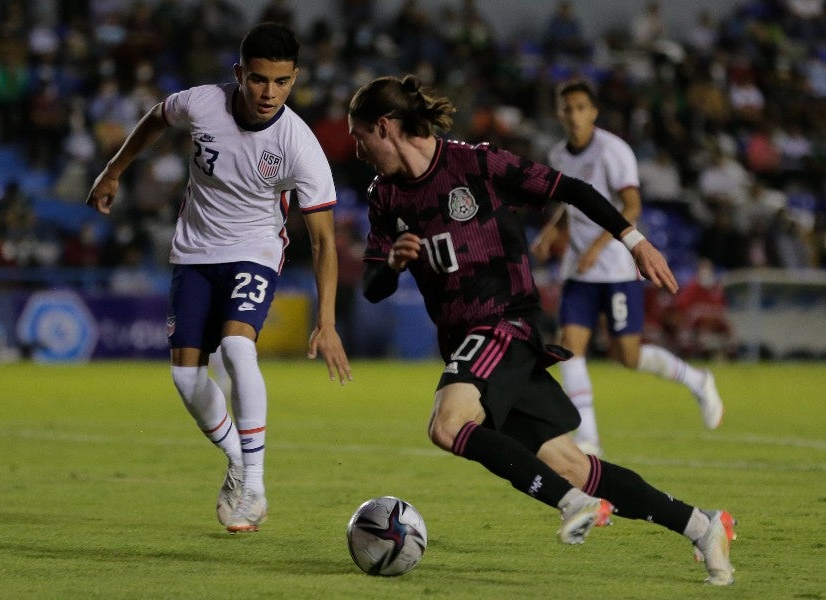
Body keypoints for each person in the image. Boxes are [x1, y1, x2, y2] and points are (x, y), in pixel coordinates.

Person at [348, 74, 736, 585]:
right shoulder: (385, 197)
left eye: (361, 138)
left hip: (504, 322)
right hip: (468, 343)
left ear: (385, 126)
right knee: (574, 465)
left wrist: (634, 240)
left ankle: (571, 504)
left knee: (446, 425)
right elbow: (372, 284)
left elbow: (570, 189)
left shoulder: (476, 164)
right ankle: (701, 525)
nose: (358, 152)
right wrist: (395, 264)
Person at [86, 22, 352, 533]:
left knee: (236, 348)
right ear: (239, 74)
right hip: (194, 251)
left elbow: (322, 241)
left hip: (254, 249)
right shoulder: (202, 103)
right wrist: (114, 170)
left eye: (281, 82)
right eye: (258, 80)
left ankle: (254, 481)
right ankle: (237, 461)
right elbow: (155, 119)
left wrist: (328, 319)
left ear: (295, 79)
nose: (269, 92)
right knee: (185, 377)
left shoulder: (300, 143)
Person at [532, 79, 723, 456]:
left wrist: (599, 246)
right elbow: (571, 203)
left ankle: (698, 380)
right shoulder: (558, 155)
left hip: (616, 267)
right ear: (559, 113)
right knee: (571, 347)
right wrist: (550, 232)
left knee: (628, 356)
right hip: (578, 270)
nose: (574, 115)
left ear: (594, 112)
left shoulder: (613, 151)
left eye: (581, 108)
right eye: (567, 108)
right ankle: (588, 438)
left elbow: (631, 206)